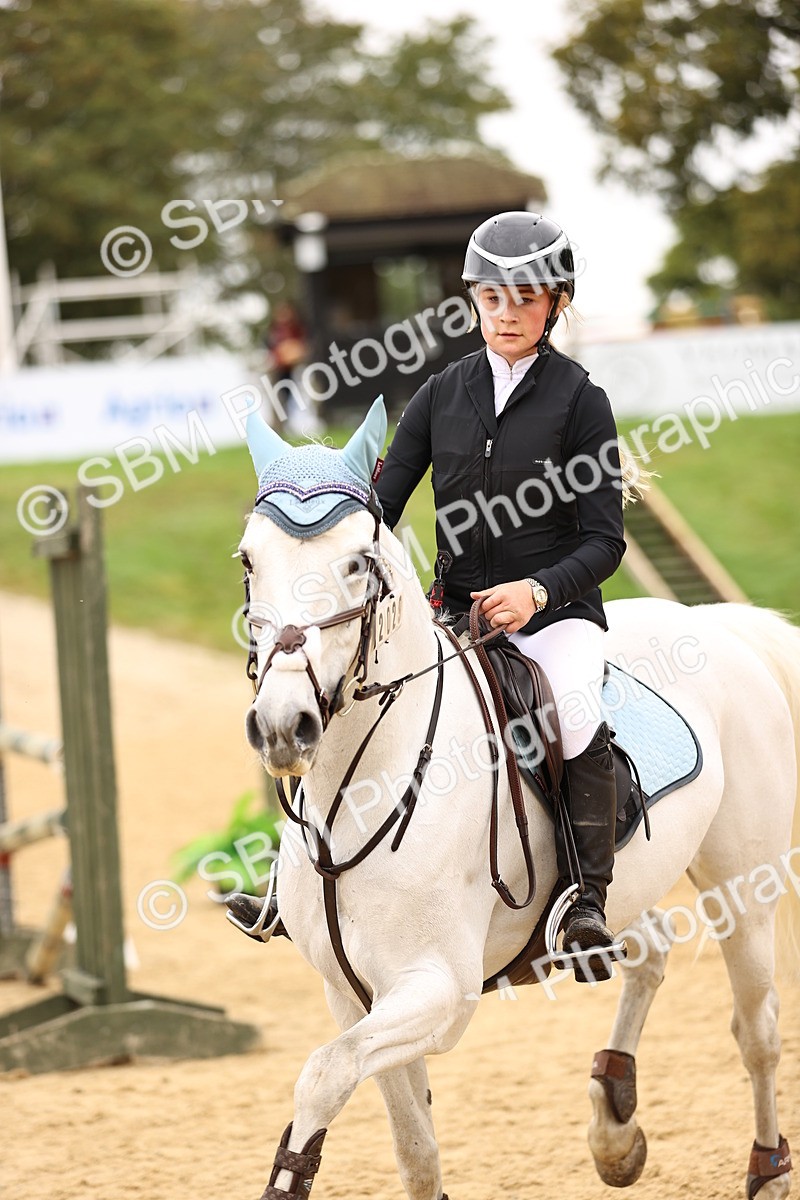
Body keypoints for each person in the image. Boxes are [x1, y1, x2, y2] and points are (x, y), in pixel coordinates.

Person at [373, 211, 628, 980]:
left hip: (556, 617)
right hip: (456, 613)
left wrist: (538, 593)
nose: (507, 312)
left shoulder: (582, 401)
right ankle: (309, 881)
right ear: (474, 301)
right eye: (492, 297)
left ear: (556, 303)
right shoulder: (440, 395)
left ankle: (585, 900)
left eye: (526, 298)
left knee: (573, 709)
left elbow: (605, 541)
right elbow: (380, 503)